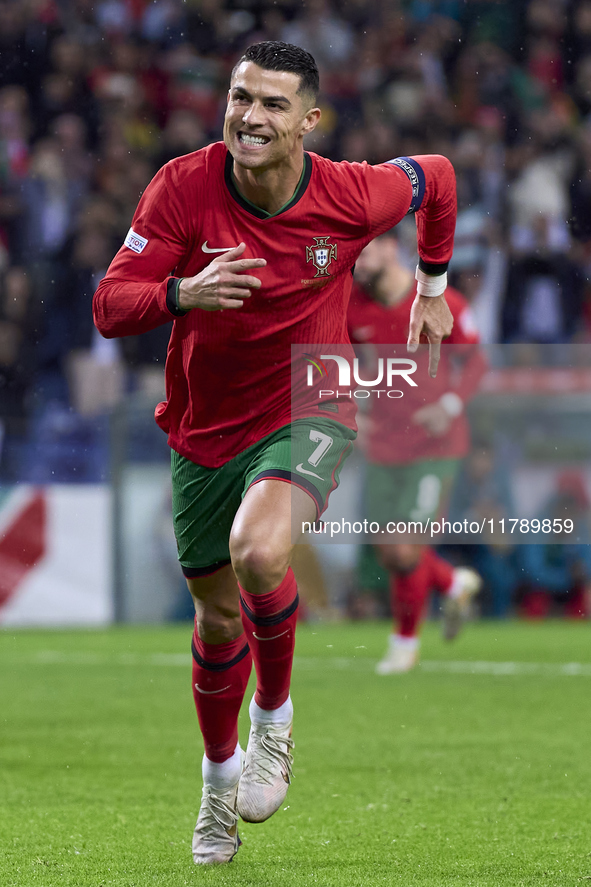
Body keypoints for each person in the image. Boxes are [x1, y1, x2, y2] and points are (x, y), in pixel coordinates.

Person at [93, 41, 457, 865]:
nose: (251, 116)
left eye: (272, 105)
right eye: (239, 97)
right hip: (205, 423)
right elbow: (110, 304)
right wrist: (183, 291)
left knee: (260, 551)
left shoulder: (350, 192)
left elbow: (436, 175)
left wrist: (431, 286)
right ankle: (217, 784)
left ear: (308, 121)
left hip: (312, 392)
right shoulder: (182, 186)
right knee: (217, 616)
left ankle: (275, 724)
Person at [348, 232, 485, 673]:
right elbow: (338, 363)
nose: (358, 263)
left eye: (365, 252)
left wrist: (449, 406)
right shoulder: (351, 305)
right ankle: (451, 582)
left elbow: (477, 360)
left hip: (436, 445)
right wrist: (354, 415)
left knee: (405, 548)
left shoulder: (439, 300)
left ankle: (404, 645)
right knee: (389, 551)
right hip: (386, 445)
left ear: (391, 247)